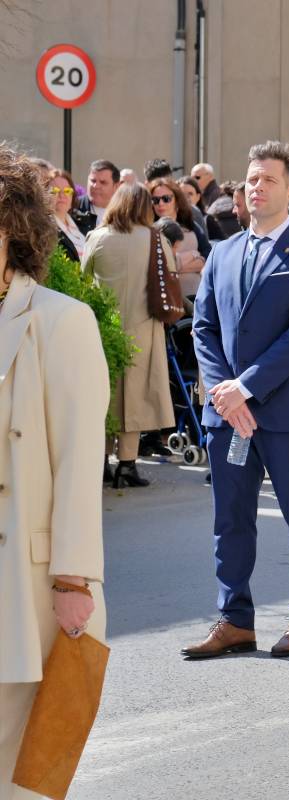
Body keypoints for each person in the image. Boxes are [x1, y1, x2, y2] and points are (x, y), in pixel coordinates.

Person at [184, 141, 289, 660]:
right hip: (227, 414)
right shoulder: (222, 252)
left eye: (268, 180)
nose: (256, 187)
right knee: (231, 518)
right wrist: (225, 393)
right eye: (250, 179)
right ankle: (234, 619)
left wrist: (245, 386)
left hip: (284, 411)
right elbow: (203, 327)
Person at [0, 147, 109, 799]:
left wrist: (73, 577)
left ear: (13, 229)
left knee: (20, 764)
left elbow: (77, 461)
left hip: (25, 576)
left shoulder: (59, 322)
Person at [82, 184, 177, 488]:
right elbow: (169, 277)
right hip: (143, 327)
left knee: (102, 395)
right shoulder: (155, 238)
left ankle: (101, 463)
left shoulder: (97, 237)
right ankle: (127, 464)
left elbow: (82, 280)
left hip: (103, 327)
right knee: (133, 397)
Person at [148, 178, 208, 297]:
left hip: (197, 296)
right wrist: (192, 256)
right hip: (165, 300)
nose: (160, 204)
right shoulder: (149, 230)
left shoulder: (191, 225)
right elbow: (157, 268)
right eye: (155, 200)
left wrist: (176, 266)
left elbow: (208, 256)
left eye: (166, 199)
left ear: (176, 200)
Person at [46, 168, 88, 262]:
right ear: (44, 195)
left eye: (67, 191)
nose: (62, 195)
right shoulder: (44, 229)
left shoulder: (83, 223)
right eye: (55, 191)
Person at [72, 158, 119, 236]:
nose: (96, 186)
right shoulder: (74, 208)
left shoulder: (125, 212)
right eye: (93, 181)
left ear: (116, 186)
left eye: (103, 182)